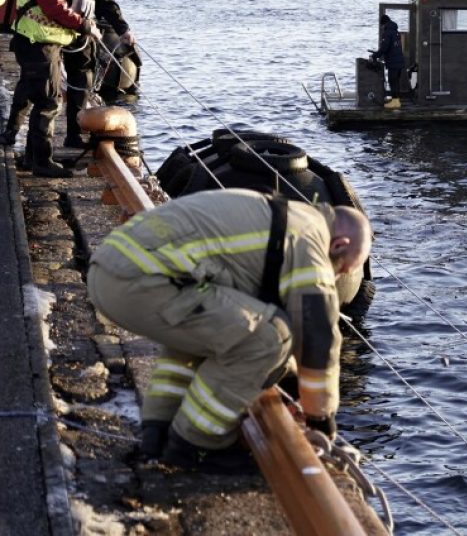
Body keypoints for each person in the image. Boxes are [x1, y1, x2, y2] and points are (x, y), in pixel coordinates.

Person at [86, 190, 373, 471]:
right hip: (138, 279)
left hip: (113, 269)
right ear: (338, 245)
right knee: (271, 337)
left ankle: (159, 431)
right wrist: (321, 417)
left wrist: (289, 379)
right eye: (342, 270)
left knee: (217, 331)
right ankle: (196, 444)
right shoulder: (310, 240)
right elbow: (316, 335)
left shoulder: (287, 217)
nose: (335, 277)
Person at [1, 0, 102, 175]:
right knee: (49, 101)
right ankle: (42, 162)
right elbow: (53, 7)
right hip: (37, 43)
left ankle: (30, 156)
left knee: (37, 95)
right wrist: (84, 25)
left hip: (44, 42)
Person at [55, 0, 136, 148]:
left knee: (81, 84)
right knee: (46, 93)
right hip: (50, 35)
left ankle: (73, 135)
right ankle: (32, 148)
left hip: (81, 35)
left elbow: (106, 1)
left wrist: (123, 29)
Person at [371, 13, 405, 101]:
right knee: (396, 82)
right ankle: (397, 101)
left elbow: (384, 48)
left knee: (392, 82)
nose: (382, 27)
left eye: (382, 25)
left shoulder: (388, 33)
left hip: (393, 63)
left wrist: (375, 55)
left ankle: (395, 103)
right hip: (399, 61)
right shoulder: (396, 32)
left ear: (384, 23)